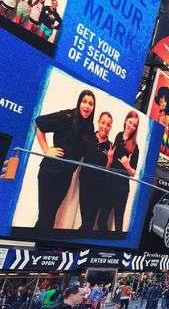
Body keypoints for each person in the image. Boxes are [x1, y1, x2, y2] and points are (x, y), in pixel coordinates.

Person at [33, 90, 96, 230]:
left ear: (93, 108)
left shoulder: (89, 127)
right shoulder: (67, 116)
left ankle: (35, 248)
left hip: (65, 177)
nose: (87, 106)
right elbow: (39, 123)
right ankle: (36, 248)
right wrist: (46, 150)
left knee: (49, 217)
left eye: (91, 104)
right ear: (79, 102)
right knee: (46, 218)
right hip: (50, 172)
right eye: (84, 101)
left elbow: (90, 152)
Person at [99, 112, 139, 232]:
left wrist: (127, 166)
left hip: (122, 187)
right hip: (110, 183)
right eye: (130, 122)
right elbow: (113, 157)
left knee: (118, 222)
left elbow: (133, 173)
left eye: (134, 125)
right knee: (101, 220)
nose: (131, 126)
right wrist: (110, 158)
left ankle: (116, 249)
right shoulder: (119, 136)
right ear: (126, 120)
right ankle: (104, 245)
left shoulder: (135, 147)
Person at [79, 111, 112, 230]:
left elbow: (108, 170)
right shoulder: (88, 137)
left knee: (89, 222)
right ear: (98, 122)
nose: (105, 126)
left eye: (108, 124)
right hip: (84, 183)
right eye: (103, 122)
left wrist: (109, 159)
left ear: (110, 127)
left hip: (99, 187)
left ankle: (74, 246)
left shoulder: (110, 146)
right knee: (86, 221)